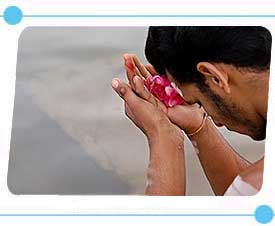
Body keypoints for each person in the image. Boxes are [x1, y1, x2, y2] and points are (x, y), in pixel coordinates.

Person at [111, 26, 271, 196]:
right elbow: (245, 192)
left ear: (215, 77)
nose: (215, 121)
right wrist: (198, 127)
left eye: (198, 102)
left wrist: (163, 134)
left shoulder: (256, 181)